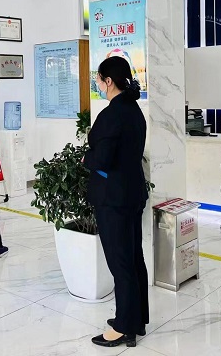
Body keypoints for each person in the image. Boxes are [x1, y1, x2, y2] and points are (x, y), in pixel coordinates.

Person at [83, 56, 148, 348]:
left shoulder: (111, 114)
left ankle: (123, 327)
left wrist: (87, 159)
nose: (97, 83)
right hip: (133, 193)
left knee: (120, 263)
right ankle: (136, 318)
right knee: (134, 259)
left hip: (113, 198)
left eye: (98, 79)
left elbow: (103, 159)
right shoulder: (134, 110)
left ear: (108, 81)